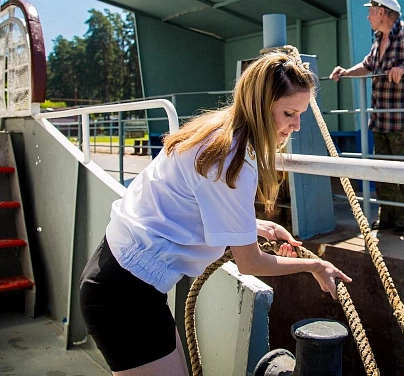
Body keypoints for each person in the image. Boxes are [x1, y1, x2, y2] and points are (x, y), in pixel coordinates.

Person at [79, 52, 351, 376]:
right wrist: (314, 266)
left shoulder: (217, 127)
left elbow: (201, 204)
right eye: (289, 113)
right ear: (261, 107)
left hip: (119, 273)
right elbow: (250, 262)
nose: (296, 125)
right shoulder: (232, 161)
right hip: (124, 296)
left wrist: (258, 227)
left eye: (301, 114)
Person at [330, 0, 404, 236]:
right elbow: (368, 66)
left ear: (382, 11)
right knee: (383, 172)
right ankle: (388, 218)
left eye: (370, 11)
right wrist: (346, 72)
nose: (368, 16)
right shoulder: (377, 38)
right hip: (380, 119)